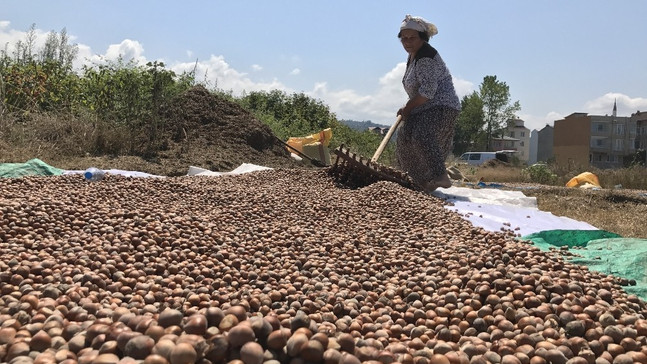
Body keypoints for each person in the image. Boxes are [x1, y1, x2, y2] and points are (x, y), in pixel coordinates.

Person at [395, 14, 461, 193]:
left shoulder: (425, 56)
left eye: (412, 38)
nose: (408, 42)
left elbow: (427, 92)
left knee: (421, 134)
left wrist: (408, 107)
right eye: (404, 38)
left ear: (422, 38)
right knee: (404, 139)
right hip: (423, 107)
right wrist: (408, 107)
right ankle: (416, 182)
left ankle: (440, 175)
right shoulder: (413, 56)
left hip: (441, 105)